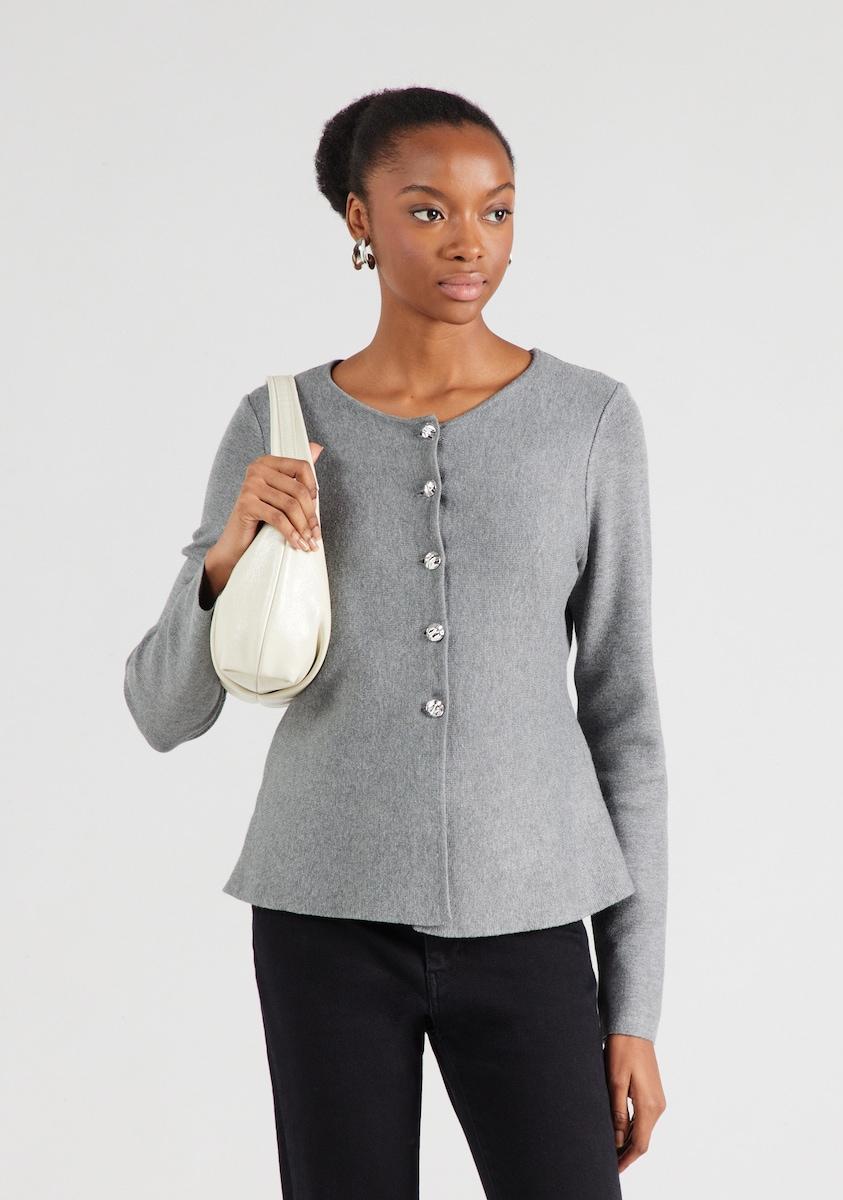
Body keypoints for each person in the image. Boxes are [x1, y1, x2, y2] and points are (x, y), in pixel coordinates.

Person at [123, 84, 669, 1199]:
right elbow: (162, 711)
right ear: (359, 221)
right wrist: (224, 557)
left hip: (531, 919)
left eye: (497, 210)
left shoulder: (590, 421)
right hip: (321, 921)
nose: (471, 242)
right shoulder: (278, 423)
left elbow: (624, 720)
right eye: (429, 211)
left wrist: (635, 1007)